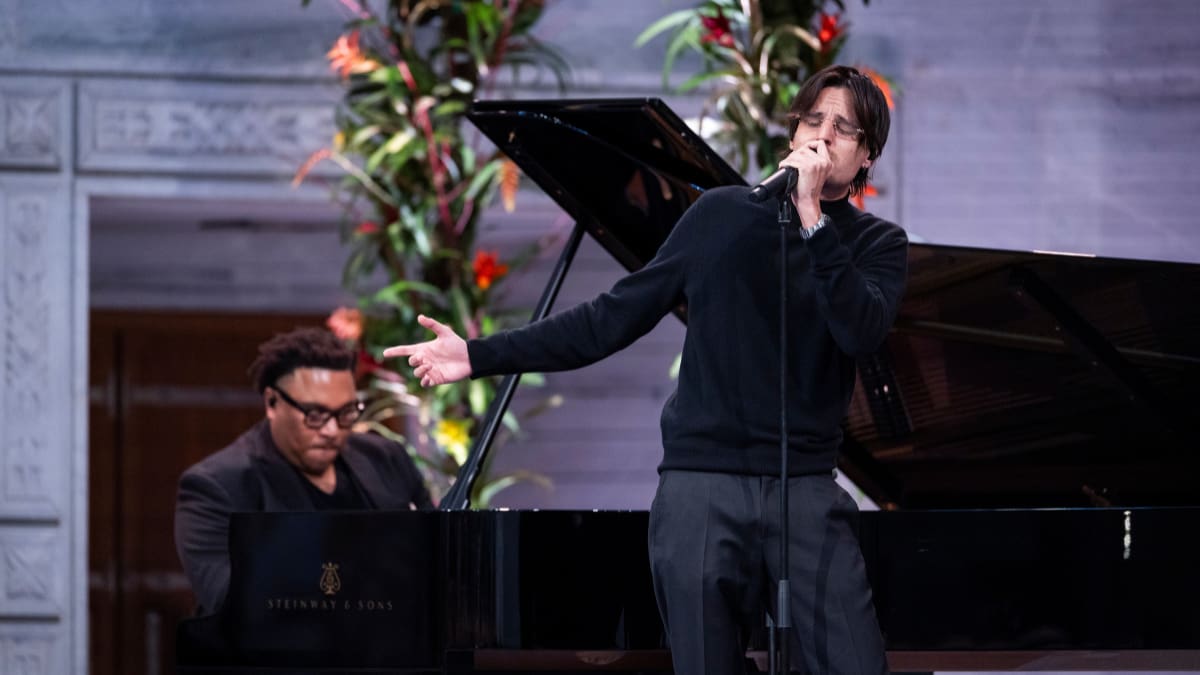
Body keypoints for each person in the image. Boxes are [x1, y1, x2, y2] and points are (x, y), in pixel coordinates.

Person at [385, 64, 906, 675]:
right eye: (813, 120)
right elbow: (611, 318)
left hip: (806, 490)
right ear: (792, 132)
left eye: (844, 128)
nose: (823, 135)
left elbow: (859, 331)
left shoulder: (877, 244)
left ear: (866, 155)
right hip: (702, 485)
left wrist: (813, 216)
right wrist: (477, 355)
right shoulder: (721, 215)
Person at [174, 327, 433, 614]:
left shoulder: (386, 458)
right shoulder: (217, 486)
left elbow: (435, 560)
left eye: (345, 412)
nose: (332, 430)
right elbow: (231, 604)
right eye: (315, 414)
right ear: (272, 402)